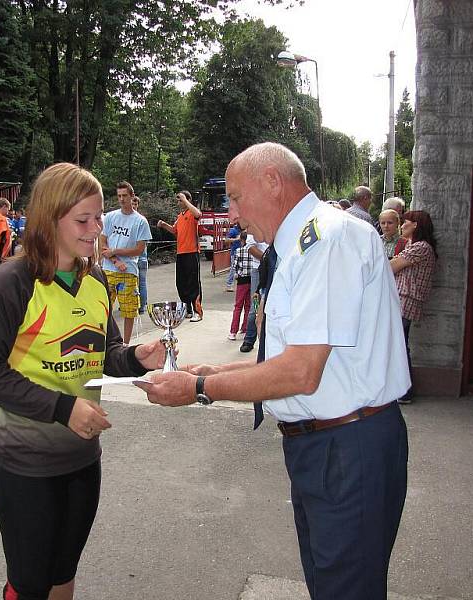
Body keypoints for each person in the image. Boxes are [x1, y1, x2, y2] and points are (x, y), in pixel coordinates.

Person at [138, 142, 410, 600]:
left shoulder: (325, 239)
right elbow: (294, 355)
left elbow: (302, 371)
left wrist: (202, 386)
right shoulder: (301, 245)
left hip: (347, 446)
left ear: (272, 182)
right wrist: (215, 367)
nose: (232, 214)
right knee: (332, 584)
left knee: (346, 588)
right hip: (326, 443)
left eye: (236, 198)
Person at [0, 162, 166, 600]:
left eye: (98, 217)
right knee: (30, 581)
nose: (98, 229)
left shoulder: (94, 279)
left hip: (81, 461)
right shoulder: (10, 283)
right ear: (49, 217)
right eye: (84, 219)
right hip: (23, 464)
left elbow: (105, 352)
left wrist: (137, 358)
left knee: (63, 572)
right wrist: (63, 408)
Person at [390, 210, 438, 404]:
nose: (402, 226)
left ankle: (405, 390)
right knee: (399, 344)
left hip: (406, 299)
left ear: (416, 225)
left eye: (405, 222)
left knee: (399, 345)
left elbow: (391, 266)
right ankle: (402, 389)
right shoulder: (415, 245)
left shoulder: (421, 247)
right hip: (404, 298)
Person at [100, 181, 152, 343]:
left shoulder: (140, 221)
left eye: (124, 196)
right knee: (103, 308)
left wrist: (115, 251)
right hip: (109, 270)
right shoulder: (110, 217)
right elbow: (103, 244)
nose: (121, 199)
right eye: (119, 196)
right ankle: (105, 341)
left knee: (129, 310)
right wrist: (115, 260)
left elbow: (138, 249)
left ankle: (125, 343)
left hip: (129, 271)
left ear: (132, 196)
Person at [157, 191, 203, 322]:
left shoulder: (191, 213)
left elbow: (198, 214)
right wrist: (164, 225)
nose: (179, 202)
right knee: (181, 283)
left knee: (193, 283)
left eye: (181, 199)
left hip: (192, 252)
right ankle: (187, 309)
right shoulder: (180, 216)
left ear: (187, 200)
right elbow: (174, 230)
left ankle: (197, 311)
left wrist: (186, 200)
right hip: (181, 253)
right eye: (178, 200)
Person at [238, 234, 268, 353]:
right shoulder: (255, 225)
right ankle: (249, 340)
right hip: (258, 270)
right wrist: (267, 259)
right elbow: (250, 246)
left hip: (276, 267)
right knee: (254, 306)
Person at [228, 230, 252, 340]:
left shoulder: (238, 251)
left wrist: (236, 275)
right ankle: (245, 328)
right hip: (251, 280)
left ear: (241, 240)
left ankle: (233, 331)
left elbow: (234, 267)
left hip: (241, 281)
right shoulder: (253, 251)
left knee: (238, 306)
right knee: (248, 306)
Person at [130, 196, 149, 316]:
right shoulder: (142, 220)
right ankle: (142, 305)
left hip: (134, 257)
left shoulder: (131, 220)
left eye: (134, 204)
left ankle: (138, 304)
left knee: (135, 282)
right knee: (141, 282)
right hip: (142, 257)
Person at [225, 222, 242, 292]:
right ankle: (229, 284)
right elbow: (226, 240)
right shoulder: (233, 230)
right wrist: (236, 239)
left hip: (243, 252)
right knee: (233, 268)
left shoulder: (245, 229)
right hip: (235, 252)